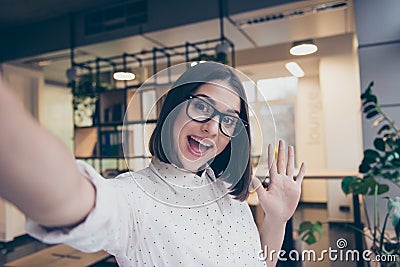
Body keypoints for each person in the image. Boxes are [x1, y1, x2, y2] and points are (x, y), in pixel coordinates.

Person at [0, 62, 305, 267]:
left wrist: (276, 219)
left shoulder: (227, 194)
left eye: (227, 120)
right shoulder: (132, 197)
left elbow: (260, 262)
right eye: (201, 106)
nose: (213, 127)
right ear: (172, 110)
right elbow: (65, 196)